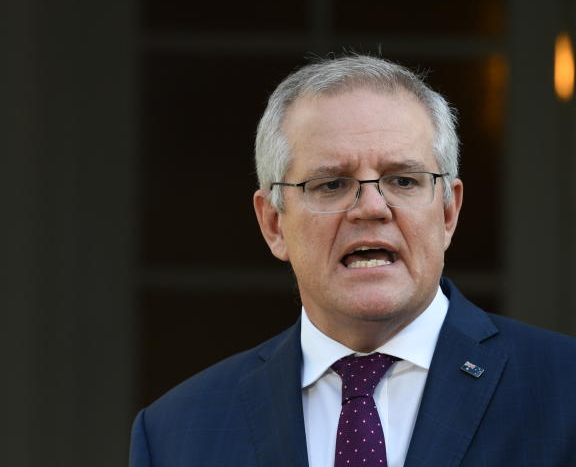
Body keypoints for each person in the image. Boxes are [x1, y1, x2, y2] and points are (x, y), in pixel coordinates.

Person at [130, 55, 576, 467]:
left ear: (447, 212)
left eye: (403, 180)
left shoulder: (563, 390)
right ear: (273, 223)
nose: (371, 207)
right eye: (331, 185)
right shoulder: (175, 434)